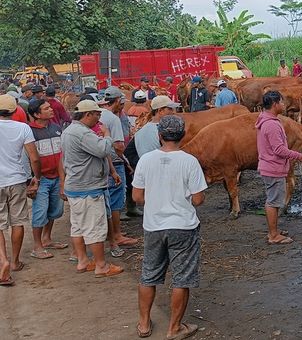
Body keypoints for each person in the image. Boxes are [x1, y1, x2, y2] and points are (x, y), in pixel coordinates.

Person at [133, 115, 207, 340]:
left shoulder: (145, 160)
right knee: (182, 278)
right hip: (183, 226)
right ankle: (174, 328)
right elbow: (198, 200)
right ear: (183, 135)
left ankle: (144, 324)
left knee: (149, 275)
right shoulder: (189, 161)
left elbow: (137, 196)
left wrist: (158, 201)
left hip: (154, 225)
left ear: (159, 136)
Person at [61, 99, 123, 277]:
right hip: (88, 187)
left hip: (76, 186)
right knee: (95, 228)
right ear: (87, 114)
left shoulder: (69, 131)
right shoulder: (82, 133)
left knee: (78, 226)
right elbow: (103, 150)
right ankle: (101, 265)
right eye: (97, 114)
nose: (99, 119)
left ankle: (83, 261)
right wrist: (107, 134)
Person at [256, 91, 302, 244]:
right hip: (273, 168)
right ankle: (273, 235)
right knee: (273, 202)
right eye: (281, 102)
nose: (284, 105)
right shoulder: (272, 125)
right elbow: (279, 149)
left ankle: (274, 230)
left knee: (273, 200)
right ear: (274, 104)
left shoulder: (265, 120)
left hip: (270, 166)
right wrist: (300, 156)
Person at [0, 94, 41, 285]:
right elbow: (34, 157)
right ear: (15, 110)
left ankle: (3, 261)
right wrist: (36, 178)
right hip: (16, 179)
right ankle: (15, 261)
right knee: (17, 222)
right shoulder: (23, 128)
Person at [98, 87, 138, 250]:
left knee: (107, 200)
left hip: (101, 162)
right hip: (114, 162)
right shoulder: (113, 119)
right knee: (115, 201)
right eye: (121, 102)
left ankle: (109, 234)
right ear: (117, 101)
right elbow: (119, 146)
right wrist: (126, 160)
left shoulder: (98, 114)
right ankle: (117, 235)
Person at [27, 100, 67, 260]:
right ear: (37, 114)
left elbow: (62, 154)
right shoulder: (30, 132)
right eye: (46, 108)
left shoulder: (56, 128)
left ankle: (47, 239)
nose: (51, 109)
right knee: (39, 211)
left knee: (55, 210)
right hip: (41, 179)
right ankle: (37, 246)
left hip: (57, 177)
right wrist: (33, 179)